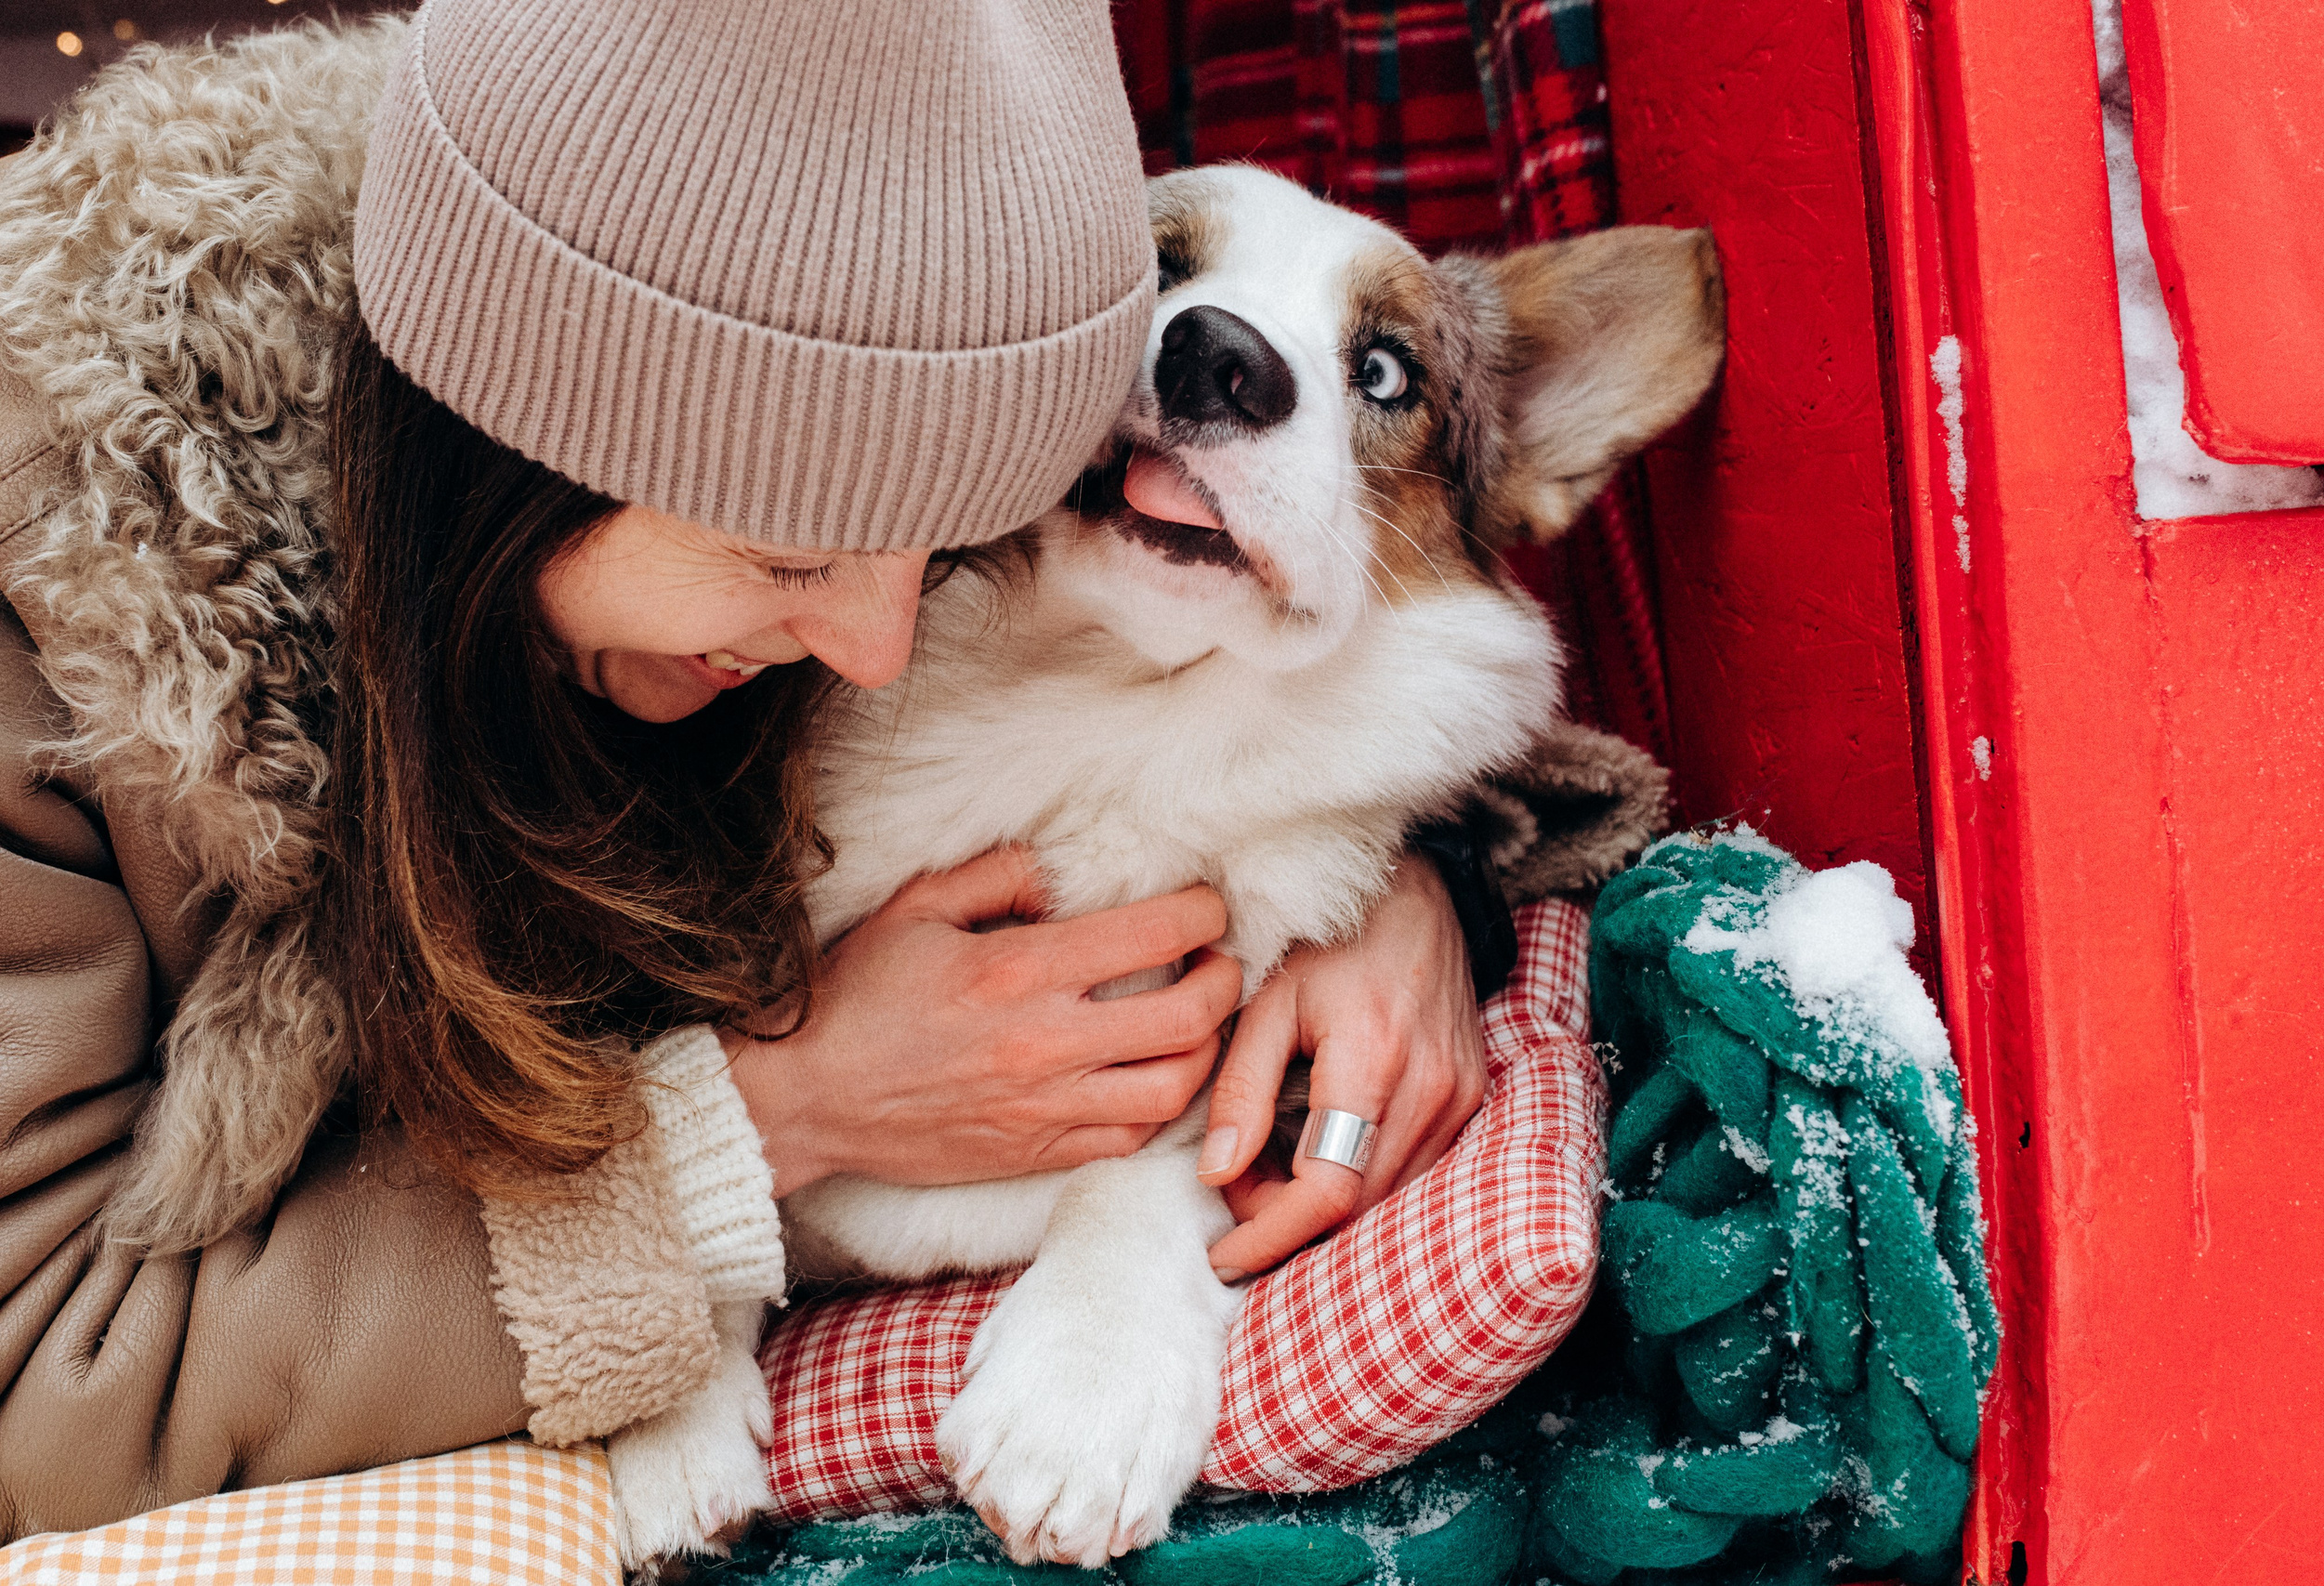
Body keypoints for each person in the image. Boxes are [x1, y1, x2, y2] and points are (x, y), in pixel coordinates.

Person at [0, 0, 1523, 1541]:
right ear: (516, 451)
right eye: (787, 545)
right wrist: (769, 1126)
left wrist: (1407, 892)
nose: (873, 649)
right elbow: (35, 1394)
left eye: (945, 538)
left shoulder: (689, 592)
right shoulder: (47, 630)